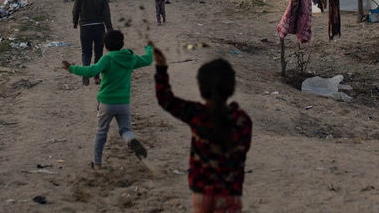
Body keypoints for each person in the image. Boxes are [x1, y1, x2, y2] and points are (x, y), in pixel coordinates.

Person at [153, 46, 252, 212]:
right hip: (230, 193)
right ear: (231, 88)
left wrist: (161, 68)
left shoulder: (198, 115)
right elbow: (243, 149)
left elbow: (165, 99)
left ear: (201, 89)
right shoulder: (242, 120)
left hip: (202, 190)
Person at [61, 30, 151, 168]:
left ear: (105, 45)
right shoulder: (130, 58)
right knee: (125, 130)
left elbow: (91, 71)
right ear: (122, 44)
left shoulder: (107, 59)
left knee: (101, 131)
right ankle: (130, 140)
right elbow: (148, 60)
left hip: (107, 102)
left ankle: (97, 163)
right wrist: (149, 47)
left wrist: (72, 68)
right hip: (123, 102)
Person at [71, 0, 112, 86]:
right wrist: (109, 28)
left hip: (85, 27)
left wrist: (75, 22)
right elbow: (106, 14)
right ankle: (96, 77)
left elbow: (75, 10)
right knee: (98, 52)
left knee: (86, 52)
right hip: (99, 27)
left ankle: (85, 74)